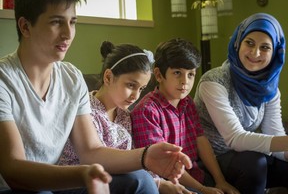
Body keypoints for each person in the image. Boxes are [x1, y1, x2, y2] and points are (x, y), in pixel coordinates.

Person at [0, 0, 193, 193]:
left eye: (72, 22)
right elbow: (13, 169)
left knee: (140, 180)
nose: (68, 33)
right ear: (25, 26)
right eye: (56, 22)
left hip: (62, 184)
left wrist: (145, 156)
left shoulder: (71, 77)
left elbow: (90, 151)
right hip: (18, 188)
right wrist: (84, 173)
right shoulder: (4, 80)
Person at [59, 41, 199, 194]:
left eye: (141, 89)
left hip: (117, 181)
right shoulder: (86, 111)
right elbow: (96, 159)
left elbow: (131, 161)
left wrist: (161, 184)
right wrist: (155, 183)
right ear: (108, 77)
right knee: (140, 180)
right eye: (131, 85)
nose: (136, 96)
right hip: (77, 182)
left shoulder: (124, 116)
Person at [194, 13, 288, 194]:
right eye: (250, 43)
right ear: (238, 43)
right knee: (255, 163)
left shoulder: (270, 89)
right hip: (213, 160)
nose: (255, 53)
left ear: (275, 52)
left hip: (246, 155)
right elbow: (235, 138)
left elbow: (275, 134)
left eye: (265, 47)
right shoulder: (213, 81)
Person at [131, 38, 239, 194]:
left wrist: (220, 180)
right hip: (169, 183)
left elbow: (201, 140)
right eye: (177, 73)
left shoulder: (187, 103)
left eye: (191, 74)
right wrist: (202, 189)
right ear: (159, 75)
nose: (185, 82)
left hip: (195, 173)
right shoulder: (147, 111)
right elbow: (165, 165)